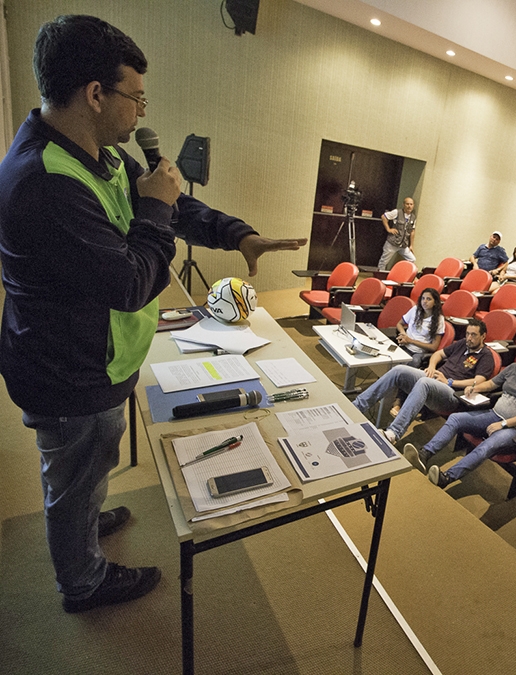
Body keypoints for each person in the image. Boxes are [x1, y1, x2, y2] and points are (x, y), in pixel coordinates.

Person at [0, 15, 305, 614]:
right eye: (135, 96)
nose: (141, 111)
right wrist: (159, 212)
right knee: (73, 472)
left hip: (98, 358)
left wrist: (237, 234)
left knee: (87, 466)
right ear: (94, 93)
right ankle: (82, 582)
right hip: (69, 372)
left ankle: (84, 510)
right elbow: (134, 281)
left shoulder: (94, 151)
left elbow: (167, 201)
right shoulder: (43, 182)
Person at [403, 340, 516, 488]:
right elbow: (491, 384)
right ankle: (425, 453)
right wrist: (474, 387)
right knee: (455, 418)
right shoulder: (513, 368)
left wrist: (503, 424)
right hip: (494, 415)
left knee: (487, 445)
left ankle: (447, 477)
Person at [354, 319, 494, 443]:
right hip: (435, 380)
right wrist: (432, 367)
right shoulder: (463, 343)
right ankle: (358, 406)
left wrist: (449, 382)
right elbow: (438, 354)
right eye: (467, 333)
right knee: (399, 370)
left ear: (483, 336)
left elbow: (478, 382)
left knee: (424, 383)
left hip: (452, 393)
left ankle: (393, 432)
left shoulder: (486, 356)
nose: (469, 338)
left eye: (473, 335)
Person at [397, 288, 445, 368]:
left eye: (428, 299)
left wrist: (411, 341)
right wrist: (403, 335)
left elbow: (434, 347)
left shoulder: (439, 319)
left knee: (411, 364)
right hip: (404, 345)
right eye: (423, 298)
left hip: (418, 352)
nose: (424, 301)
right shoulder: (415, 309)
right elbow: (399, 324)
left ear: (435, 303)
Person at [378, 197, 416, 271]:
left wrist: (411, 245)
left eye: (411, 204)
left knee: (412, 259)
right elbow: (384, 217)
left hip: (403, 245)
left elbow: (412, 231)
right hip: (392, 243)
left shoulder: (413, 217)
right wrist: (388, 229)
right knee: (384, 261)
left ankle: (402, 275)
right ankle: (379, 276)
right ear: (403, 204)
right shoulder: (397, 212)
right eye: (407, 204)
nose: (409, 206)